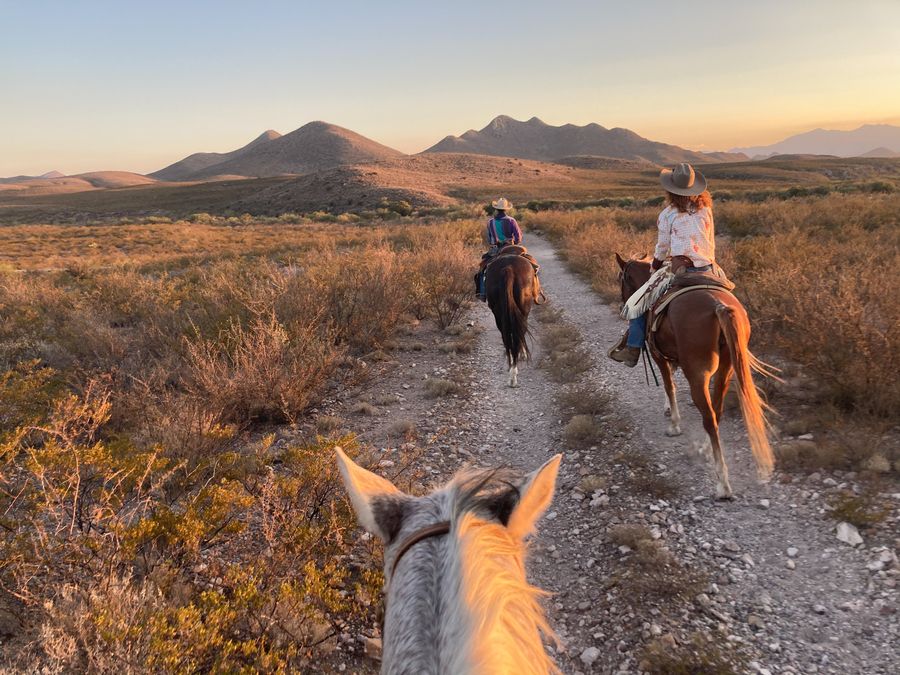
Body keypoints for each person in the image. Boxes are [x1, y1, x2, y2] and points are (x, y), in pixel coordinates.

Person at [609, 162, 716, 366]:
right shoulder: (706, 210)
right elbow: (710, 239)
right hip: (708, 266)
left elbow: (662, 247)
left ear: (670, 190)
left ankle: (632, 349)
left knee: (638, 302)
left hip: (680, 270)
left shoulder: (667, 214)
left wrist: (655, 266)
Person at [475, 197, 523, 300]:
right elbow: (518, 237)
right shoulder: (511, 220)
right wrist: (515, 243)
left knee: (482, 269)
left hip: (496, 249)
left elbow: (490, 238)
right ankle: (535, 290)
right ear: (506, 209)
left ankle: (482, 293)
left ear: (496, 209)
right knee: (530, 263)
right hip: (510, 247)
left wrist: (495, 244)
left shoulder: (490, 222)